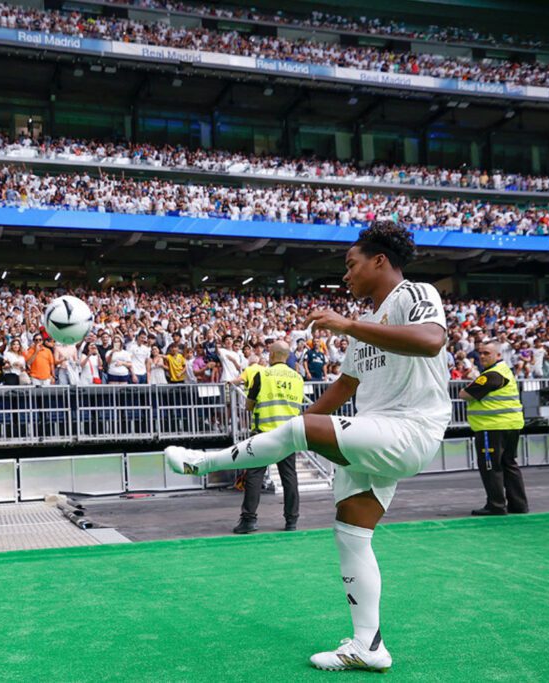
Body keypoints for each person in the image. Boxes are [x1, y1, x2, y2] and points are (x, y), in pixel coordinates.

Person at [165, 221, 450, 673]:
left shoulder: (415, 295)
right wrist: (306, 423)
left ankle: (204, 463)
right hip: (377, 431)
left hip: (411, 429)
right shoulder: (366, 328)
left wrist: (300, 426)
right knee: (351, 534)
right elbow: (343, 388)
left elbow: (432, 341)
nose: (347, 275)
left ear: (380, 261)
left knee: (300, 432)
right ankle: (368, 646)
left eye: (351, 265)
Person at [235, 342, 303, 534]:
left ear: (272, 355)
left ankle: (249, 520)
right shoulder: (298, 378)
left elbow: (249, 405)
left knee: (255, 476)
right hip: (288, 434)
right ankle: (291, 520)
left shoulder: (262, 375)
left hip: (264, 433)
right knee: (289, 477)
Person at [459, 341, 529, 515]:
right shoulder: (505, 371)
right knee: (509, 464)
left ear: (498, 355)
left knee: (491, 466)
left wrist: (468, 384)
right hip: (510, 425)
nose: (482, 356)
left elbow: (465, 394)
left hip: (492, 427)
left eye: (487, 353)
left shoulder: (492, 375)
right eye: (481, 353)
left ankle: (496, 505)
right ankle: (519, 505)